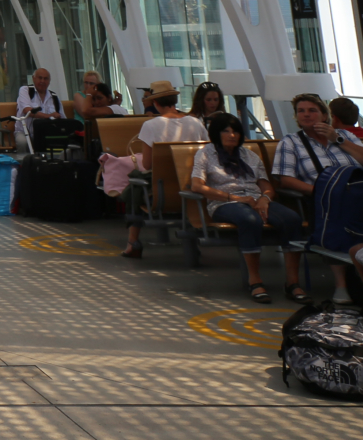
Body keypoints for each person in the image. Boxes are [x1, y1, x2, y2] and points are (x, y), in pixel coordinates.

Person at [272, 92, 363, 305]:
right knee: (339, 216)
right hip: (326, 198)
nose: (306, 115)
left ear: (324, 115)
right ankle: (342, 284)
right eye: (301, 111)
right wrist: (322, 190)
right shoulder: (291, 142)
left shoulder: (345, 136)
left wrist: (337, 139)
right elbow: (285, 180)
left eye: (312, 110)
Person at [185, 112, 302, 303]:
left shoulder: (249, 155)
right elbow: (198, 186)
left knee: (292, 219)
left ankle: (292, 283)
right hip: (225, 203)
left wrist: (265, 198)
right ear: (216, 133)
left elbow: (265, 185)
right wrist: (235, 197)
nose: (232, 135)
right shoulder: (206, 153)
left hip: (255, 200)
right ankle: (255, 281)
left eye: (235, 131)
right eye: (226, 131)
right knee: (249, 220)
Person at [119, 82, 209, 258]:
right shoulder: (195, 123)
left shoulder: (151, 125)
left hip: (164, 193)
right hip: (193, 188)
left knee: (134, 187)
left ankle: (133, 242)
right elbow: (207, 153)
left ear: (156, 103)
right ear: (175, 100)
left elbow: (147, 164)